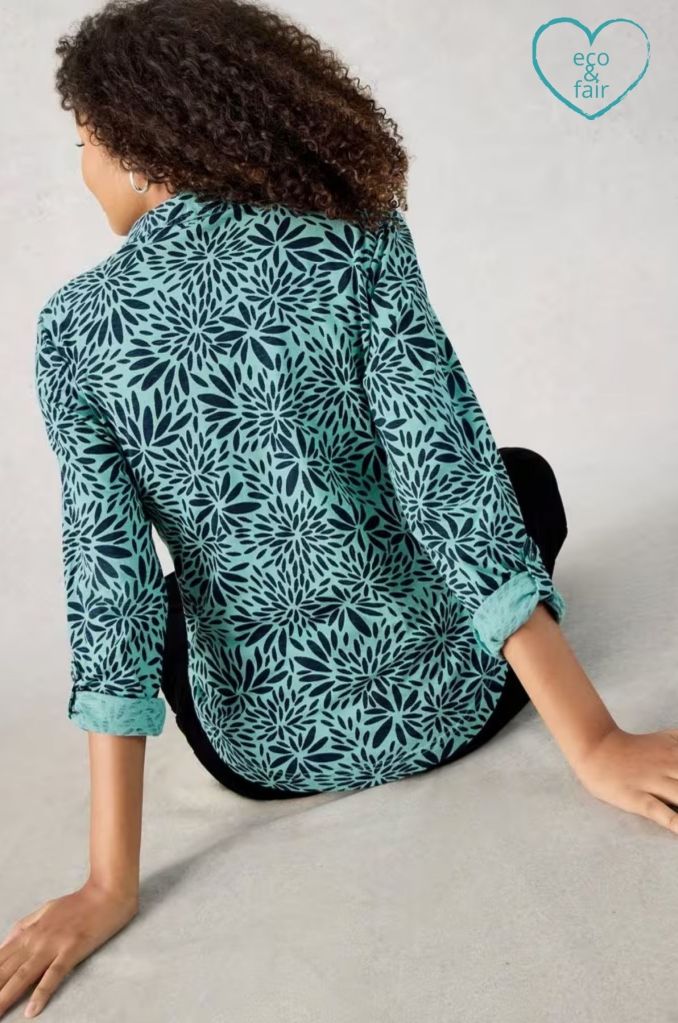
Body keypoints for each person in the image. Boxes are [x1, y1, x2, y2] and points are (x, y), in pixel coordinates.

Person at [4, 0, 678, 1017]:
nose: (83, 169)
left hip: (259, 756)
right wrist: (594, 744)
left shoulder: (72, 330)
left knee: (178, 594)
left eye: (85, 145)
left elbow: (113, 591)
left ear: (141, 149)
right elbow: (448, 483)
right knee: (518, 477)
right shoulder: (357, 234)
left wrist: (108, 884)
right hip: (455, 699)